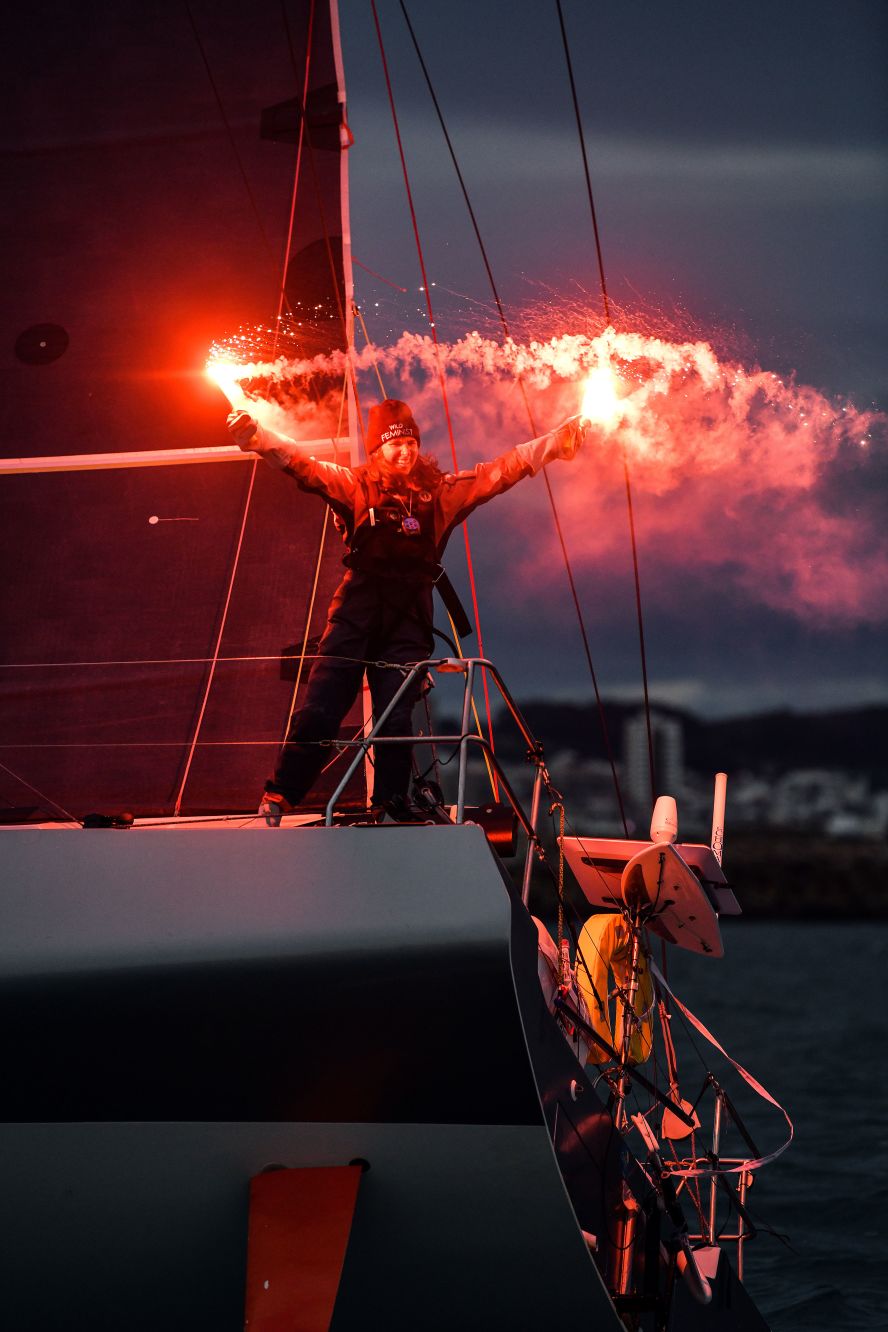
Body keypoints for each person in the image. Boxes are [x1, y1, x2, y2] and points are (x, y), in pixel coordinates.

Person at [227, 398, 588, 823]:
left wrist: (556, 443)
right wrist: (257, 438)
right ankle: (281, 794)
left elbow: (499, 471)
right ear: (377, 449)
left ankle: (389, 804)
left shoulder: (440, 493)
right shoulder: (354, 486)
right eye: (394, 444)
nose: (405, 451)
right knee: (321, 707)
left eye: (411, 443)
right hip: (355, 614)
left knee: (396, 717)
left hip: (409, 620)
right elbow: (303, 465)